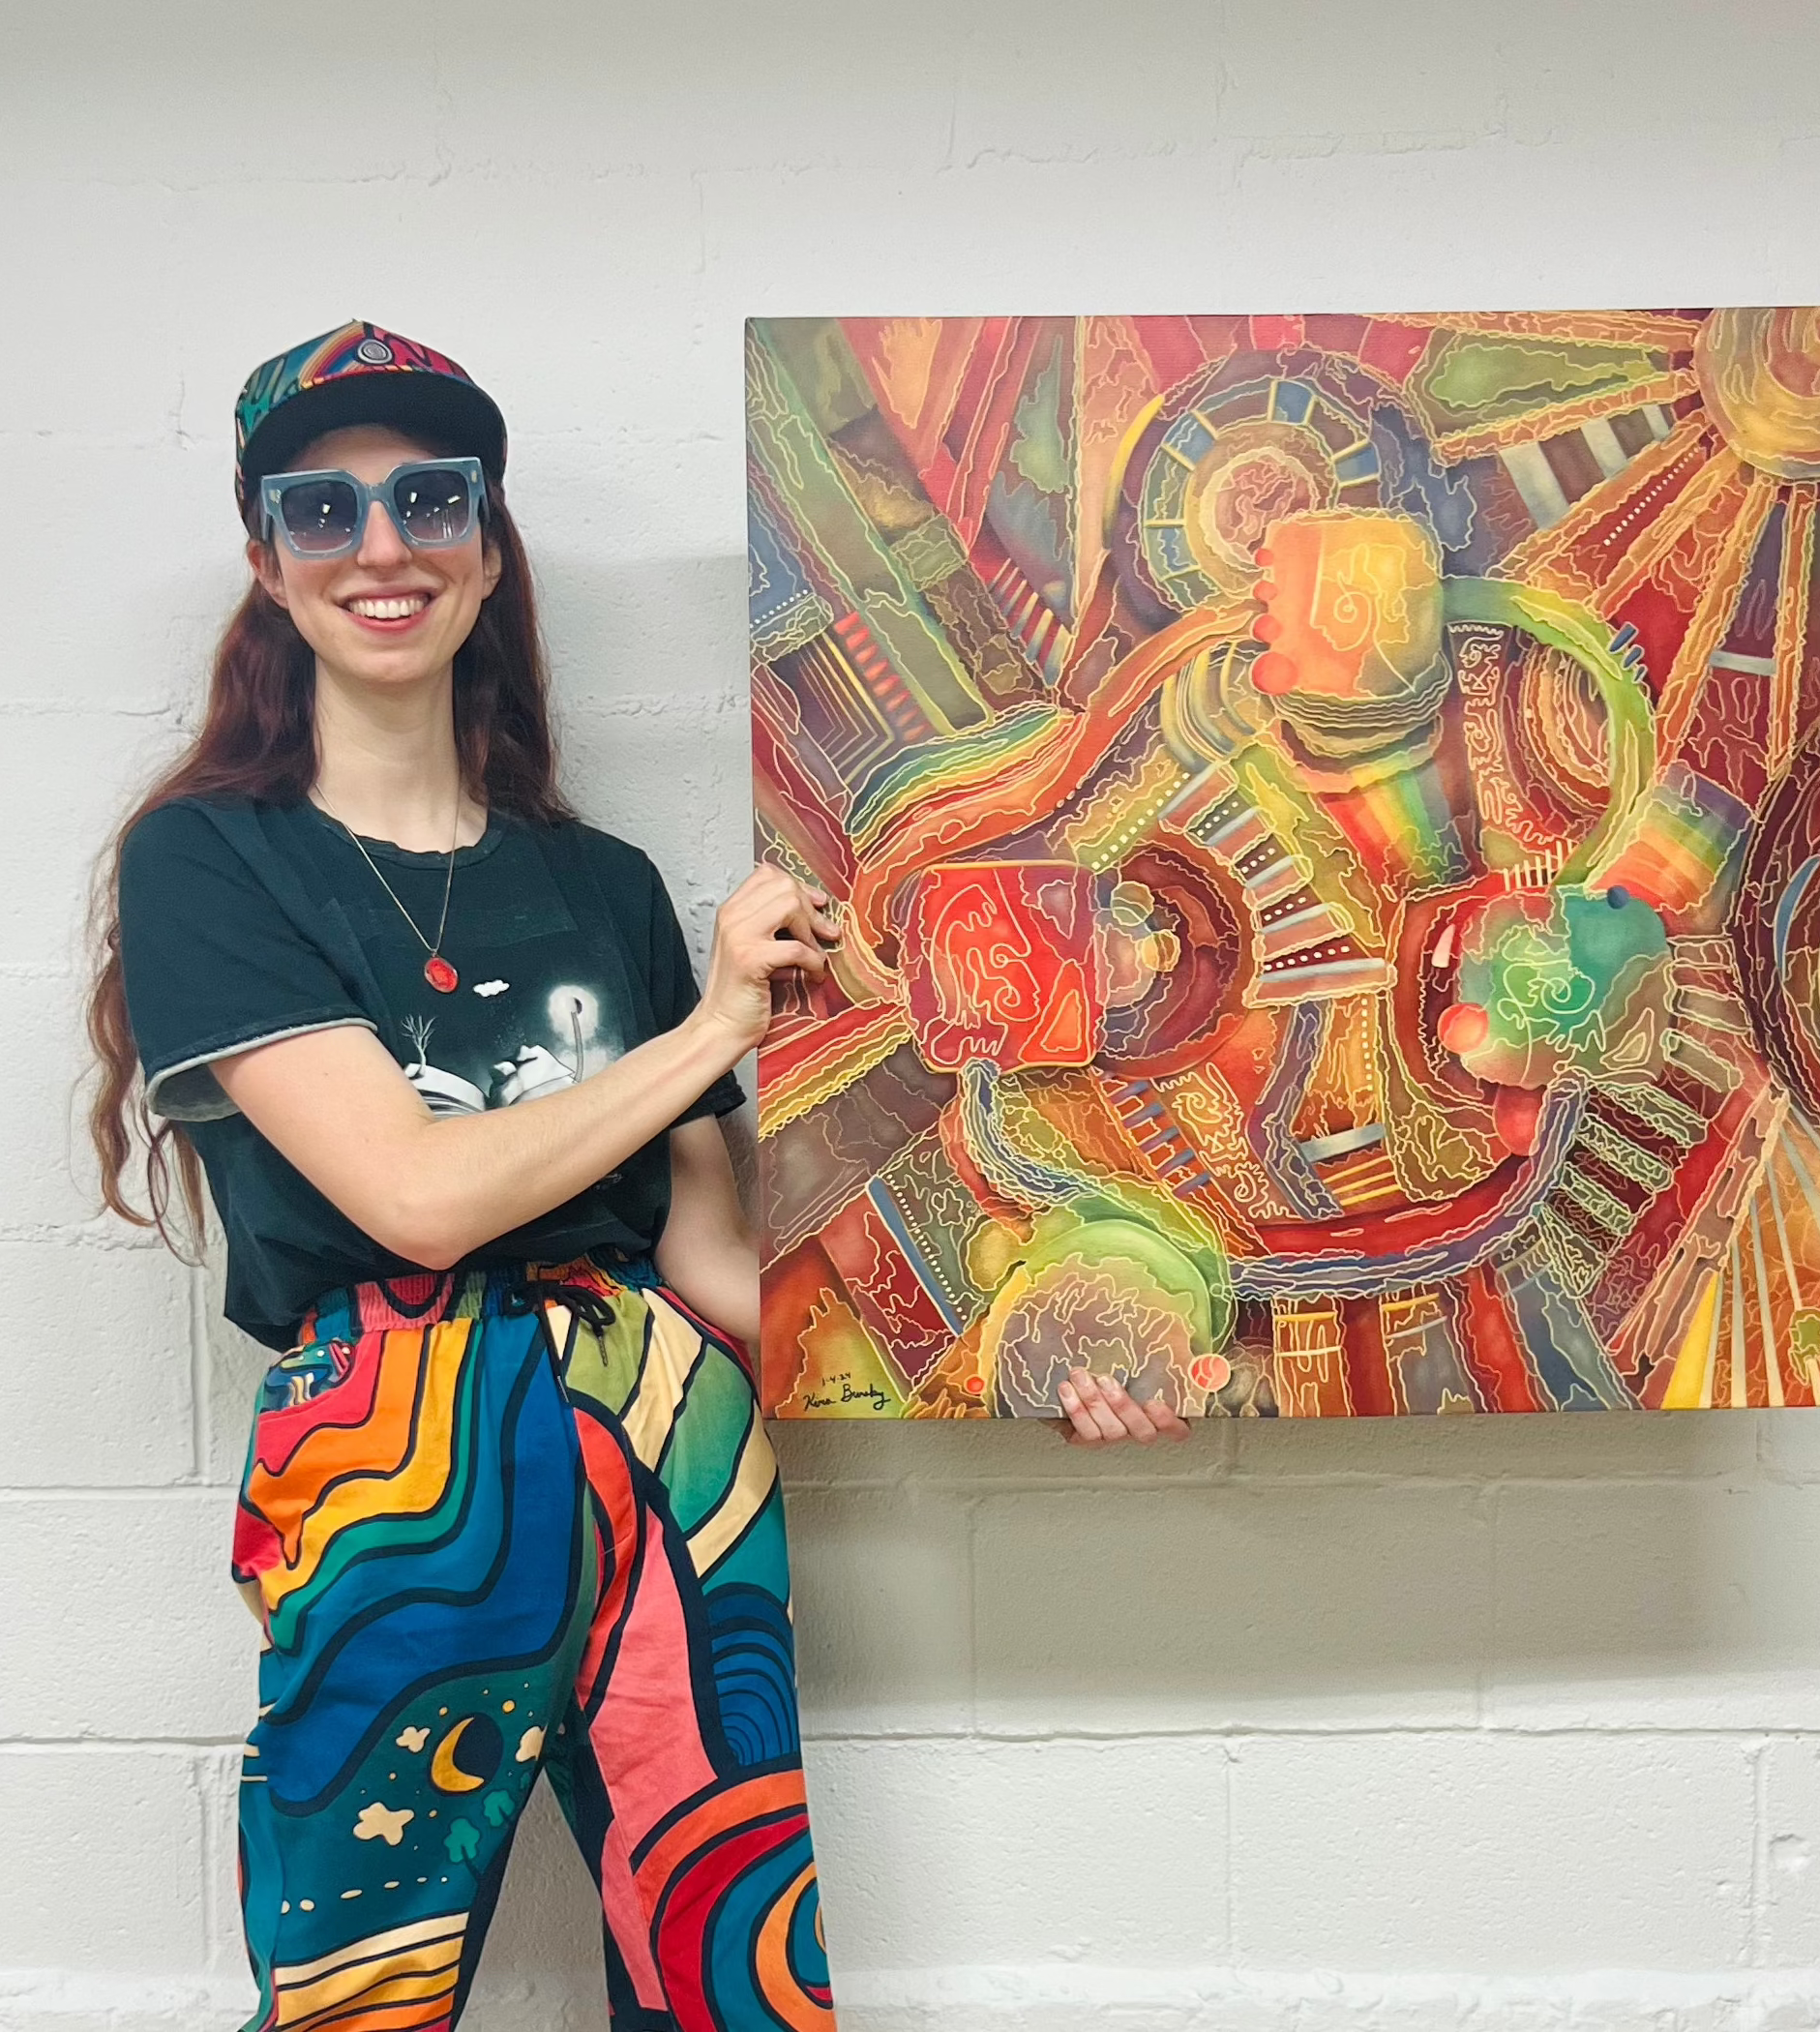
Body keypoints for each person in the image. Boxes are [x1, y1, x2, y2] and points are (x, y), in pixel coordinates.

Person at [85, 320, 1182, 2032]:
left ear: (486, 541)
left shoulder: (597, 884)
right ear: (268, 558)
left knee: (731, 1968)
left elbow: (715, 1261)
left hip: (670, 1418)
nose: (382, 546)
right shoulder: (210, 860)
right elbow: (416, 1197)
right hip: (398, 1444)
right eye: (324, 509)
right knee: (351, 1996)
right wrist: (713, 1026)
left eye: (429, 498)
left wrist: (1017, 1357)